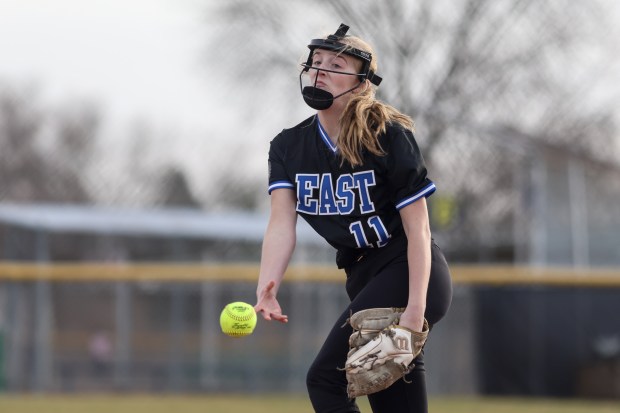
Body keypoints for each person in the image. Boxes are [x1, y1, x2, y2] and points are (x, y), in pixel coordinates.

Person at [254, 23, 453, 413]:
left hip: (407, 272)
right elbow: (281, 223)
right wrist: (267, 285)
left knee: (326, 380)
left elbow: (419, 229)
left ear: (361, 83)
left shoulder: (387, 135)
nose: (320, 70)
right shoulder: (288, 147)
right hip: (363, 280)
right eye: (315, 63)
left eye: (336, 63)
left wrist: (414, 311)